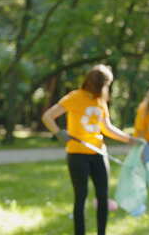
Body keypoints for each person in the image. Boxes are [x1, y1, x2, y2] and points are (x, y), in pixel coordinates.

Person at [42, 64, 139, 235]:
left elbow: (107, 128)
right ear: (99, 84)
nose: (107, 89)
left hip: (99, 154)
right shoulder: (74, 97)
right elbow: (48, 117)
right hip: (77, 155)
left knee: (103, 197)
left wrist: (129, 139)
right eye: (107, 85)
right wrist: (59, 133)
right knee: (80, 198)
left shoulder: (100, 102)